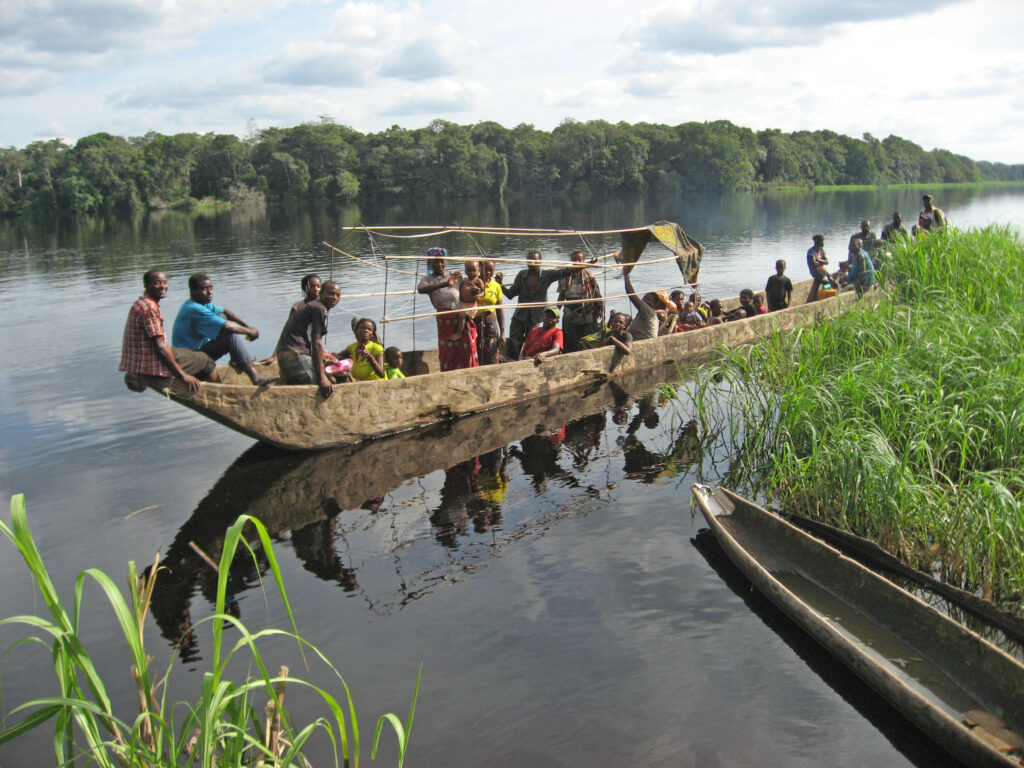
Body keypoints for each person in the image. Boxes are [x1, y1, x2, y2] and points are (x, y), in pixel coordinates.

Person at [119, 270, 215, 393]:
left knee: (192, 353)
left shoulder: (141, 303)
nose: (163, 286)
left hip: (140, 362)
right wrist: (182, 375)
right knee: (205, 360)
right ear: (146, 285)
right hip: (149, 364)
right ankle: (221, 394)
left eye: (165, 282)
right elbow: (160, 346)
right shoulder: (150, 308)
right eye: (157, 283)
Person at [172, 272, 268, 385]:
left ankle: (236, 360)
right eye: (204, 289)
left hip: (197, 352)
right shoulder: (193, 308)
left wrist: (248, 326)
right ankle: (255, 377)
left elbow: (225, 312)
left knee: (222, 316)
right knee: (230, 336)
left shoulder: (203, 304)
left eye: (211, 288)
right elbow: (227, 326)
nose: (210, 292)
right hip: (188, 360)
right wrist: (249, 331)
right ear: (193, 291)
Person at [273, 280, 339, 398]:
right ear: (322, 293)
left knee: (330, 379)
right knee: (320, 387)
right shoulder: (319, 308)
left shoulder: (312, 306)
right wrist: (322, 378)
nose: (334, 297)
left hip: (286, 355)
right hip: (295, 355)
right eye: (330, 293)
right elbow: (316, 343)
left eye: (337, 295)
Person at [416, 247, 478, 371]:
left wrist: (476, 292)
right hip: (444, 320)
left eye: (442, 261)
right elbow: (420, 289)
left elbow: (471, 281)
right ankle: (447, 374)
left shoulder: (455, 275)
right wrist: (445, 284)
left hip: (459, 317)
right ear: (430, 263)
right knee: (447, 352)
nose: (439, 264)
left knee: (467, 348)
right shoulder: (428, 280)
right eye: (436, 261)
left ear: (445, 262)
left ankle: (469, 373)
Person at [503, 251, 563, 359]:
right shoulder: (522, 275)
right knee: (514, 341)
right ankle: (516, 362)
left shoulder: (546, 275)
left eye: (535, 260)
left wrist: (579, 266)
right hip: (520, 315)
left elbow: (563, 272)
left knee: (533, 342)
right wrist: (500, 284)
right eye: (529, 260)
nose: (532, 263)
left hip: (536, 317)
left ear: (540, 261)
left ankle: (529, 362)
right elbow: (510, 294)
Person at [557, 249, 603, 353]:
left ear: (584, 260)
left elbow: (596, 293)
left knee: (587, 341)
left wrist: (600, 307)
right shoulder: (565, 276)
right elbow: (561, 296)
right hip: (570, 314)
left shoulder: (589, 275)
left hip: (586, 313)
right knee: (569, 343)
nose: (577, 262)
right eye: (574, 260)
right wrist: (555, 311)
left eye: (579, 259)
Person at [622, 264, 673, 342]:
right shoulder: (644, 312)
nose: (646, 301)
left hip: (643, 343)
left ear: (655, 305)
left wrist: (626, 276)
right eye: (645, 299)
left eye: (649, 300)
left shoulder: (649, 311)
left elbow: (631, 295)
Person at [475, 260, 505, 365]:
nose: (488, 272)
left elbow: (499, 310)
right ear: (479, 269)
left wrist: (503, 333)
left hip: (491, 324)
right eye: (485, 269)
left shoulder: (496, 286)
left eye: (491, 270)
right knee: (476, 352)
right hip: (475, 323)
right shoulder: (474, 283)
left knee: (492, 353)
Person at [450, 260, 485, 342]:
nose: (471, 272)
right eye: (468, 270)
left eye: (473, 270)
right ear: (465, 271)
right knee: (459, 316)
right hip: (463, 303)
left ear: (479, 270)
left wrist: (478, 295)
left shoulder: (478, 281)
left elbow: (484, 292)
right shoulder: (464, 280)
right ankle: (459, 332)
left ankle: (459, 333)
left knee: (462, 316)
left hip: (471, 304)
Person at [806, 234, 829, 301]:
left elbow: (827, 262)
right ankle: (822, 296)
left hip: (821, 269)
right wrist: (821, 261)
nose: (823, 243)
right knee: (826, 282)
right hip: (815, 271)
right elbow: (813, 263)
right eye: (822, 241)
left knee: (831, 279)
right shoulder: (811, 251)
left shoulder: (821, 250)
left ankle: (820, 294)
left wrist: (818, 260)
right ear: (817, 242)